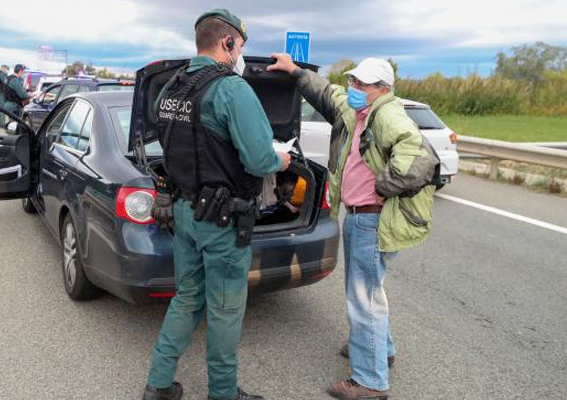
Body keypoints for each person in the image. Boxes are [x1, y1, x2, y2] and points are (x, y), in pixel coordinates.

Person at [267, 54, 438, 400]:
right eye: (354, 82)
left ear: (383, 89)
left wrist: (382, 187)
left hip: (371, 218)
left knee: (364, 299)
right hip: (362, 217)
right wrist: (296, 72)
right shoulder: (362, 112)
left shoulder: (388, 114)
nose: (354, 88)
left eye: (362, 84)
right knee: (371, 290)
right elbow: (330, 94)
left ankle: (370, 382)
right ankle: (380, 350)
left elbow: (419, 156)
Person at [142, 9, 291, 400]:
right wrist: (283, 160)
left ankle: (158, 385)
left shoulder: (171, 87)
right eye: (240, 45)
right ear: (228, 42)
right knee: (225, 311)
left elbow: (172, 142)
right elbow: (260, 160)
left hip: (184, 212)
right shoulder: (231, 89)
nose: (240, 52)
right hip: (222, 221)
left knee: (187, 297)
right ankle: (223, 394)